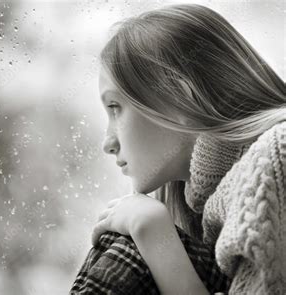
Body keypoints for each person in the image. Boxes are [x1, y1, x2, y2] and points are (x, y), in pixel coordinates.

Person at [71, 4, 285, 294]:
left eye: (115, 108)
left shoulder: (274, 157)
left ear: (177, 98)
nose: (108, 144)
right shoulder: (207, 206)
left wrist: (156, 237)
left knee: (128, 244)